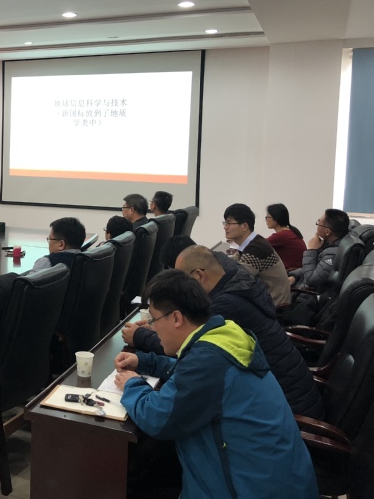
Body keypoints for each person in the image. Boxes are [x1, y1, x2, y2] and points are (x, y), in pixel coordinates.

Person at [114, 269, 318, 499]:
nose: (152, 328)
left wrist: (132, 384)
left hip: (249, 489)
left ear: (177, 318)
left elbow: (158, 417)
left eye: (154, 320)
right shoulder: (225, 333)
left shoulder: (206, 361)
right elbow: (193, 373)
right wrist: (146, 362)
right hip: (279, 478)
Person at [126, 245, 323, 417]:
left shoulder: (224, 308)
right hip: (291, 397)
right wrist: (158, 328)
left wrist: (140, 336)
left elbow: (188, 356)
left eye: (182, 280)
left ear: (199, 276)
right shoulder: (238, 285)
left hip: (292, 411)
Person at [222, 203, 290, 306]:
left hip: (273, 306)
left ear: (244, 226)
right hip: (264, 301)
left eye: (229, 223)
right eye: (225, 223)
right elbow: (232, 263)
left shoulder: (257, 248)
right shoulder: (251, 244)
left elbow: (237, 277)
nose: (225, 227)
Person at [289, 208, 349, 293]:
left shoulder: (333, 254)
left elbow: (311, 281)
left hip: (306, 296)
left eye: (319, 223)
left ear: (327, 232)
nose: (317, 226)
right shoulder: (329, 244)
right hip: (300, 289)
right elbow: (314, 269)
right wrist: (294, 276)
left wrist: (311, 251)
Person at [264, 203, 306, 271]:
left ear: (276, 218)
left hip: (291, 273)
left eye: (267, 217)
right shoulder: (291, 232)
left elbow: (258, 244)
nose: (266, 220)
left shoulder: (282, 236)